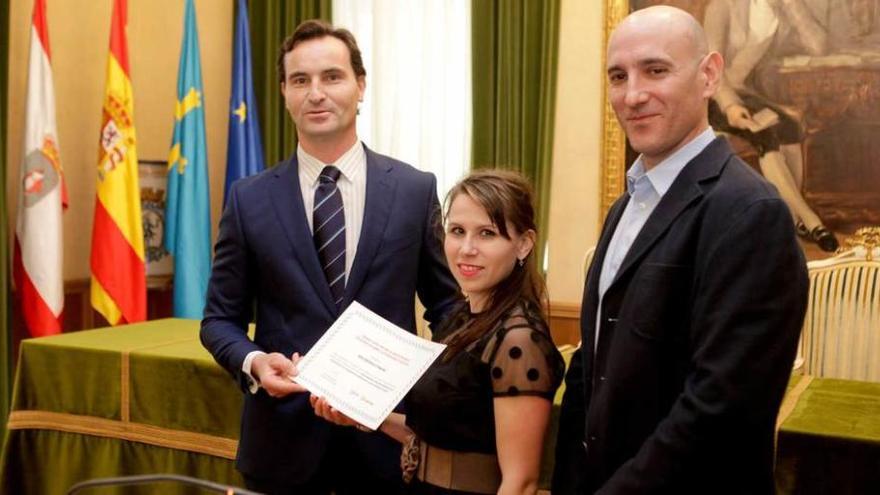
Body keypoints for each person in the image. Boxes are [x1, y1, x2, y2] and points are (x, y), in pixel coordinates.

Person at [552, 6, 808, 493]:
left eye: (655, 70)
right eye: (618, 76)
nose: (633, 95)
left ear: (709, 75)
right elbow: (592, 366)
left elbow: (720, 406)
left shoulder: (751, 212)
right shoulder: (626, 205)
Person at [200, 19, 460, 494]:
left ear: (361, 86)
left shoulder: (413, 190)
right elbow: (219, 320)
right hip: (282, 447)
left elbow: (449, 310)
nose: (316, 93)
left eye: (332, 77)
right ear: (283, 93)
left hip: (388, 446)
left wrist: (426, 393)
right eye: (300, 80)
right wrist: (256, 363)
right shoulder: (248, 199)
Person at [309, 170, 565, 495]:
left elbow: (521, 482)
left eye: (487, 233)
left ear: (524, 244)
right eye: (457, 231)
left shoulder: (519, 339)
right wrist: (364, 415)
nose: (466, 248)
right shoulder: (459, 319)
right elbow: (436, 438)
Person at [704, 0, 839, 251]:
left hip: (750, 95)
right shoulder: (721, 7)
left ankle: (792, 218)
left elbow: (819, 47)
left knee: (790, 127)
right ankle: (811, 221)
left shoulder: (781, 8)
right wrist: (730, 106)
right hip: (715, 98)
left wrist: (792, 7)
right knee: (764, 135)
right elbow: (711, 70)